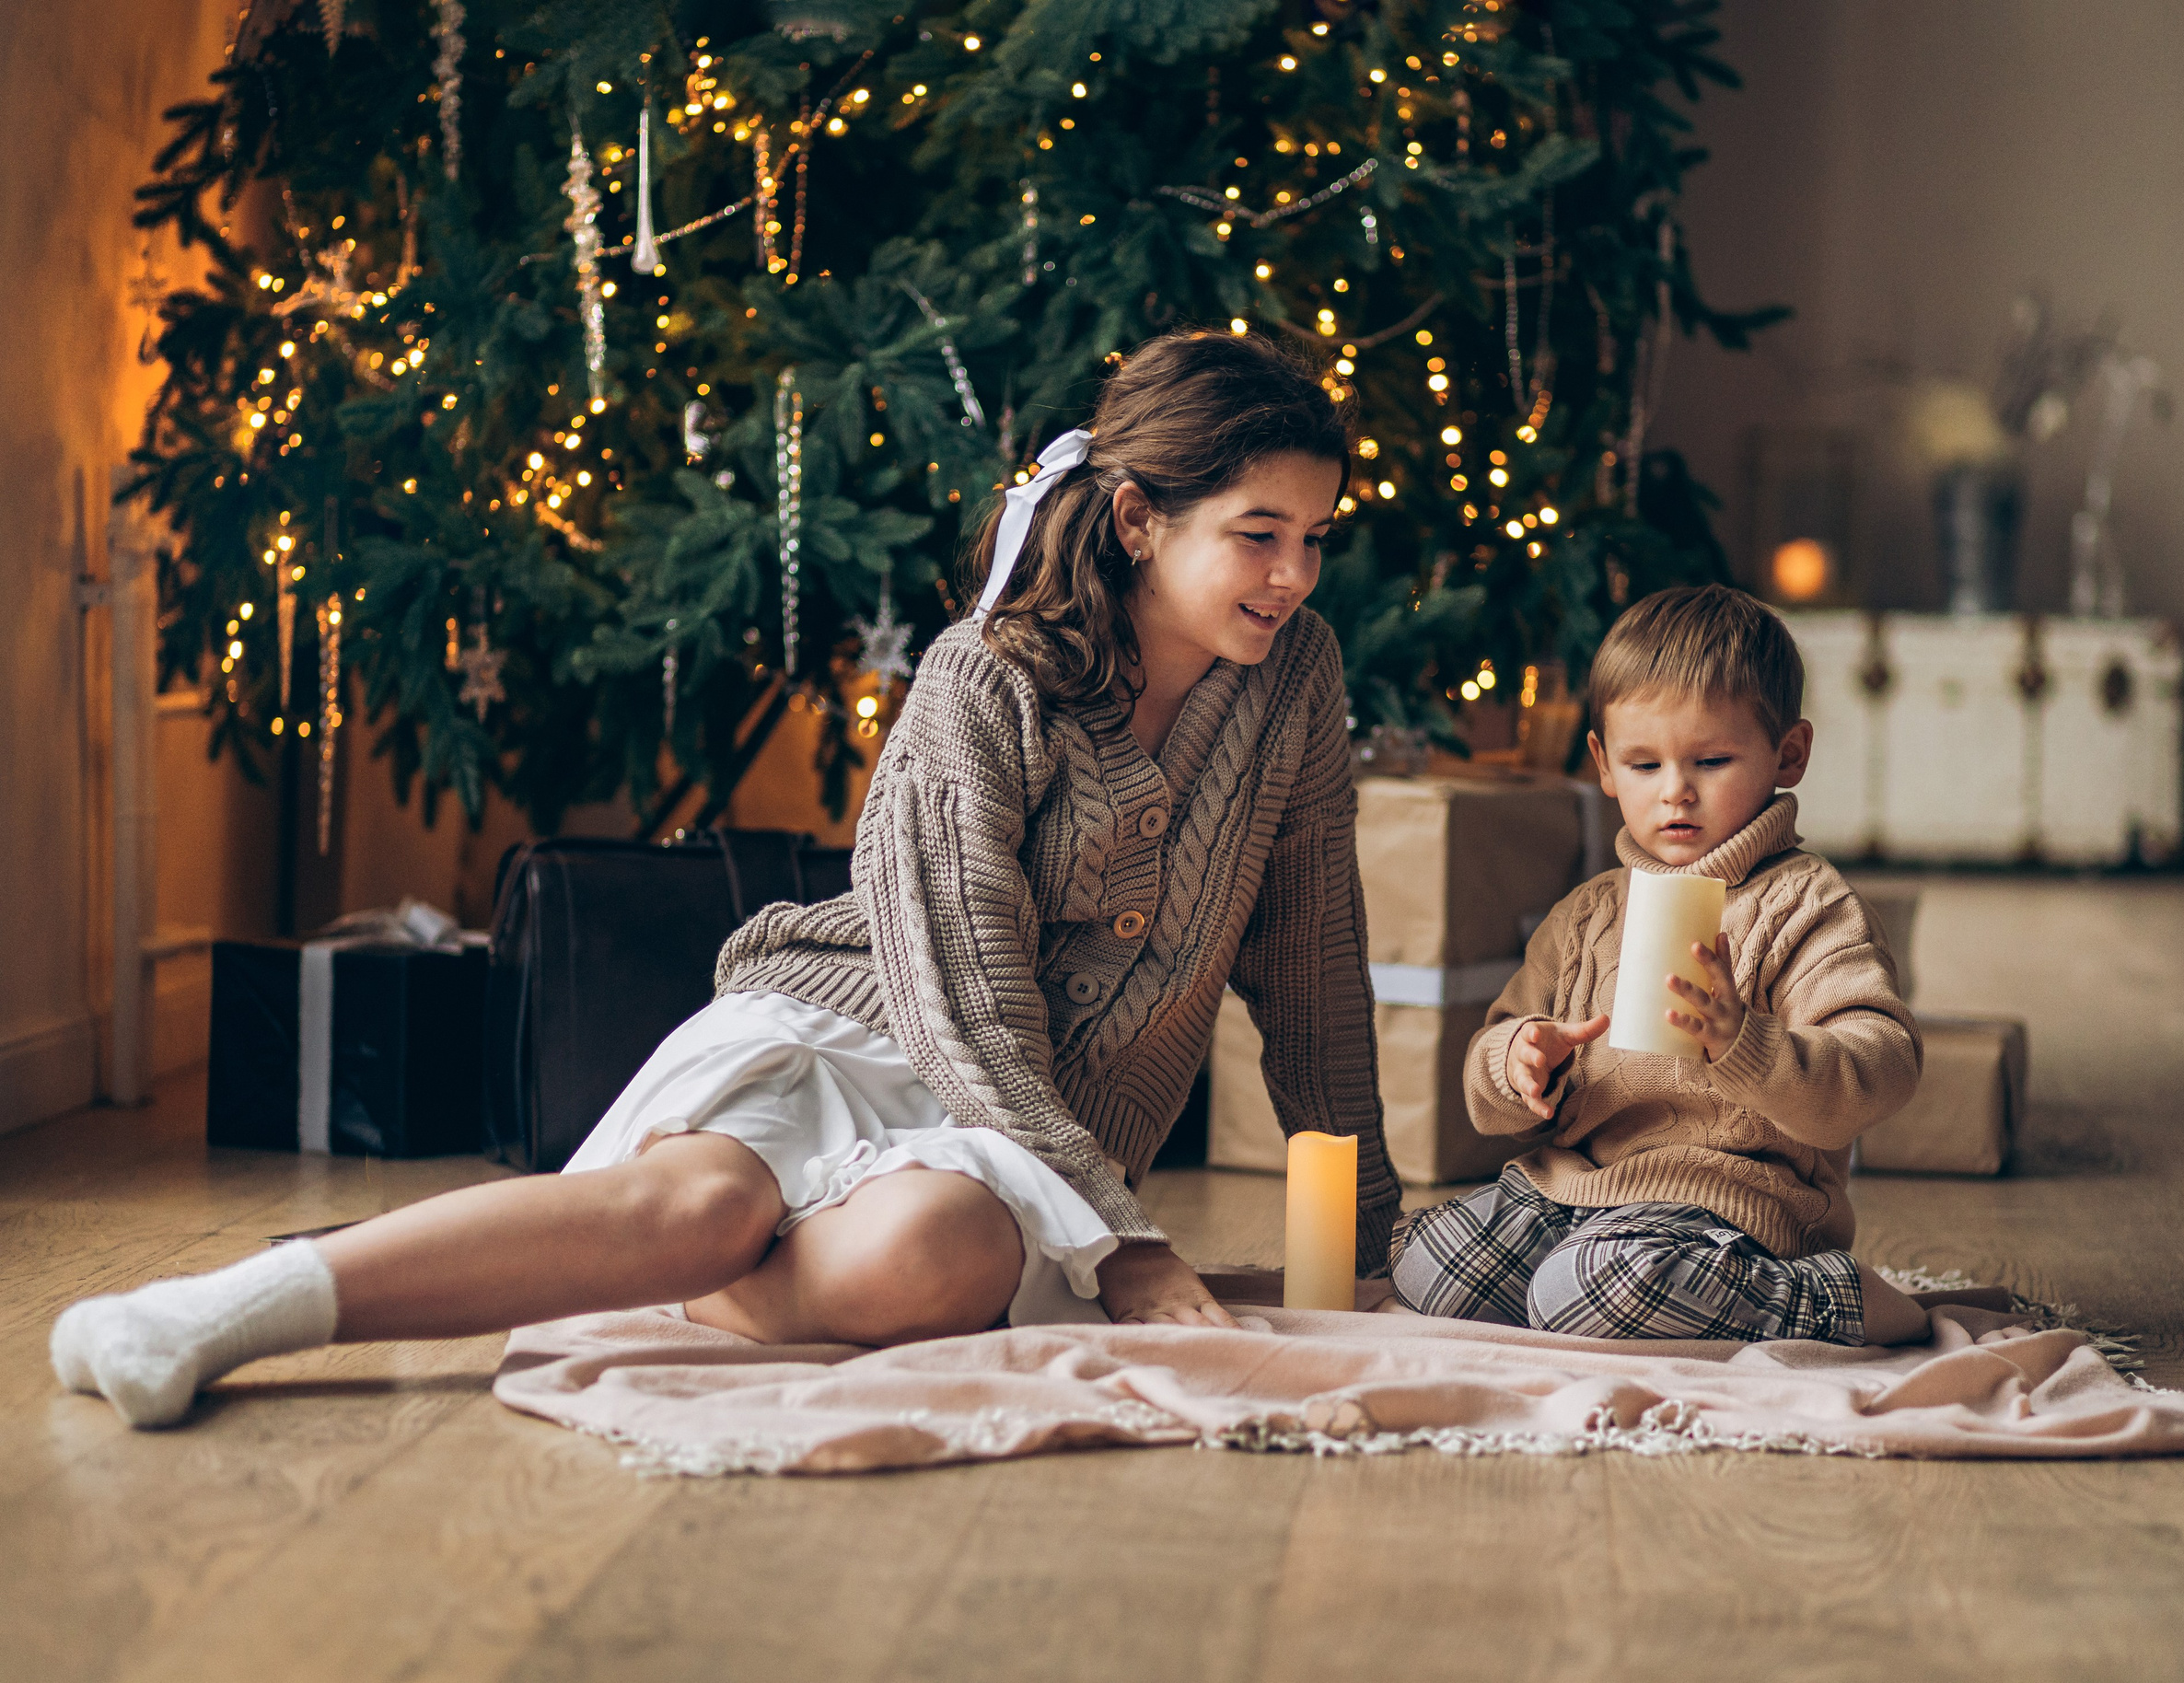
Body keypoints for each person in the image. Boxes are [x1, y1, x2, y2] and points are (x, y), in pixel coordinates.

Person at [54, 330, 1401, 1428]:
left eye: (1316, 536)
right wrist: (1127, 1240)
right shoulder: (979, 681)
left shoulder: (1295, 678)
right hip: (859, 1031)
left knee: (930, 1257)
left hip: (1024, 1129)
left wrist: (1371, 1241)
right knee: (701, 1201)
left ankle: (695, 1281)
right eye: (1258, 533)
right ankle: (213, 1311)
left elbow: (1312, 963)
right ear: (1136, 519)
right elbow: (967, 998)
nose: (1294, 574)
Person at [1390, 584, 1934, 1346]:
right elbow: (1490, 1088)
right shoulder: (1586, 913)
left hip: (1730, 1205)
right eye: (1643, 764)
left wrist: (1743, 1043)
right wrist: (1519, 1061)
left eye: (1711, 760)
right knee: (1429, 1264)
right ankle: (1589, 1288)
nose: (1676, 791)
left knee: (1588, 1286)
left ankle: (1835, 1301)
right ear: (1603, 765)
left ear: (1789, 755)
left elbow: (1884, 1063)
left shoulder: (1807, 904)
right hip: (1574, 1188)